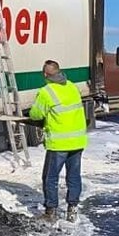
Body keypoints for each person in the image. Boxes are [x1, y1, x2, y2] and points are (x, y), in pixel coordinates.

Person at [28, 60, 88, 222]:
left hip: (59, 143)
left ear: (45, 75)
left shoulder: (46, 92)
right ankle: (72, 209)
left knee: (50, 177)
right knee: (74, 176)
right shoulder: (72, 86)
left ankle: (50, 211)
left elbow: (36, 115)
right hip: (78, 142)